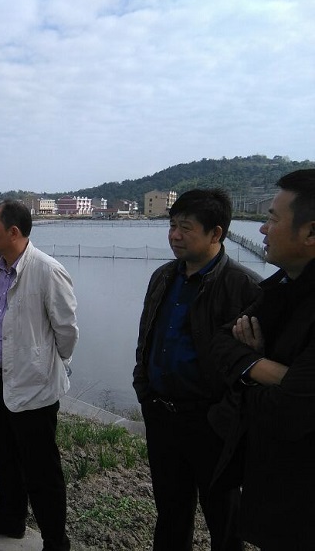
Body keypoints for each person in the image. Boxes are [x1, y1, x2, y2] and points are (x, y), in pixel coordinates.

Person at [133, 188, 262, 551]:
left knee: (224, 519)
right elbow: (147, 336)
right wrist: (143, 387)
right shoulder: (163, 277)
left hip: (212, 423)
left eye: (185, 228)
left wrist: (225, 416)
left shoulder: (244, 286)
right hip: (162, 414)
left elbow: (254, 366)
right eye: (172, 225)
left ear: (216, 233)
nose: (174, 235)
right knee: (170, 513)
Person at [210, 169, 315, 550]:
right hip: (277, 492)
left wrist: (247, 374)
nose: (262, 230)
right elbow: (220, 343)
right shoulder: (282, 288)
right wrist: (265, 367)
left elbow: (289, 412)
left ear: (311, 233)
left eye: (272, 219)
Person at [0, 200, 78, 551]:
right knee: (5, 456)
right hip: (2, 378)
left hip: (35, 385)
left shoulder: (47, 271)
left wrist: (45, 364)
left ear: (13, 232)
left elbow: (67, 331)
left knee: (41, 469)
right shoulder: (0, 269)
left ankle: (55, 542)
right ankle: (10, 519)